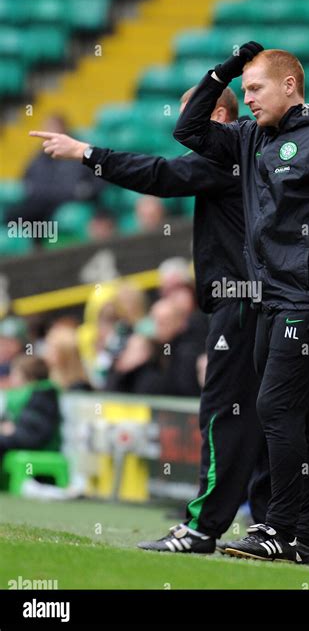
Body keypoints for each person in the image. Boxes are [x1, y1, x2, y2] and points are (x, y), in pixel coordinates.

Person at [29, 86, 268, 553]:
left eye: (191, 119)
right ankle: (274, 524)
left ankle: (203, 528)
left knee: (222, 412)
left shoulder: (225, 155)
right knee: (261, 414)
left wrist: (86, 153)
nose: (184, 133)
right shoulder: (246, 151)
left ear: (218, 114)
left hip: (238, 301)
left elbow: (157, 174)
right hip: (254, 298)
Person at [174, 43, 309, 565]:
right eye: (243, 90)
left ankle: (278, 528)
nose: (248, 98)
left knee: (275, 409)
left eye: (255, 88)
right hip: (270, 300)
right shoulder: (250, 137)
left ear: (289, 85)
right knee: (299, 415)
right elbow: (188, 131)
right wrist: (226, 69)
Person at [0, 355, 61, 461]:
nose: (11, 379)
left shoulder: (41, 397)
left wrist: (13, 431)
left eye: (15, 375)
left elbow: (30, 437)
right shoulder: (31, 396)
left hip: (39, 455)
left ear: (30, 378)